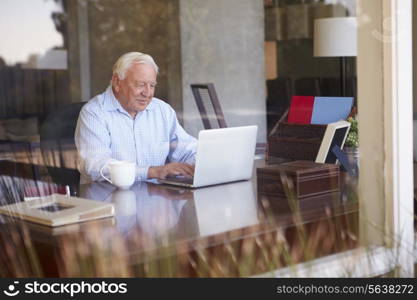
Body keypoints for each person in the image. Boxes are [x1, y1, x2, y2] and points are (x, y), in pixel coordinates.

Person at [75, 52, 196, 183]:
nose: (147, 93)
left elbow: (187, 150)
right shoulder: (94, 113)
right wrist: (153, 172)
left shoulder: (162, 110)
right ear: (117, 82)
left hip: (155, 198)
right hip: (109, 198)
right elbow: (96, 166)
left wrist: (201, 163)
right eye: (140, 85)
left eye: (152, 85)